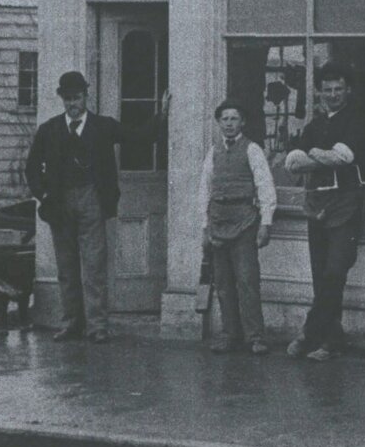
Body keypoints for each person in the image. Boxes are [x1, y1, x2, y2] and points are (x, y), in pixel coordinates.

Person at [25, 69, 166, 343]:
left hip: (92, 199)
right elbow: (31, 168)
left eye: (76, 98)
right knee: (66, 267)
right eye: (67, 99)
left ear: (86, 97)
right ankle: (70, 323)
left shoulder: (103, 126)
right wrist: (44, 195)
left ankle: (97, 326)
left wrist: (161, 116)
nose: (72, 104)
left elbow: (139, 137)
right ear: (61, 99)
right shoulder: (49, 130)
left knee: (93, 265)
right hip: (59, 203)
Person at [281, 62, 365, 360]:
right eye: (327, 89)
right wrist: (321, 156)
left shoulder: (358, 120)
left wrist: (314, 155)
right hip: (316, 204)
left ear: (349, 91)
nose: (333, 95)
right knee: (321, 275)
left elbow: (343, 157)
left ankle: (310, 333)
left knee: (334, 273)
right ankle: (331, 340)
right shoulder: (314, 125)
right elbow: (292, 162)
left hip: (346, 205)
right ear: (319, 92)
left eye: (338, 89)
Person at [196, 99, 278, 354]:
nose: (229, 124)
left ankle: (256, 337)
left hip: (244, 223)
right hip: (218, 224)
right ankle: (231, 334)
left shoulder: (252, 150)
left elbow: (266, 187)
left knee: (247, 281)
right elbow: (204, 190)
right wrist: (204, 227)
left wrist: (266, 223)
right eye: (225, 119)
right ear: (218, 122)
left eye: (234, 119)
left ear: (242, 122)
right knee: (222, 283)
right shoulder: (213, 152)